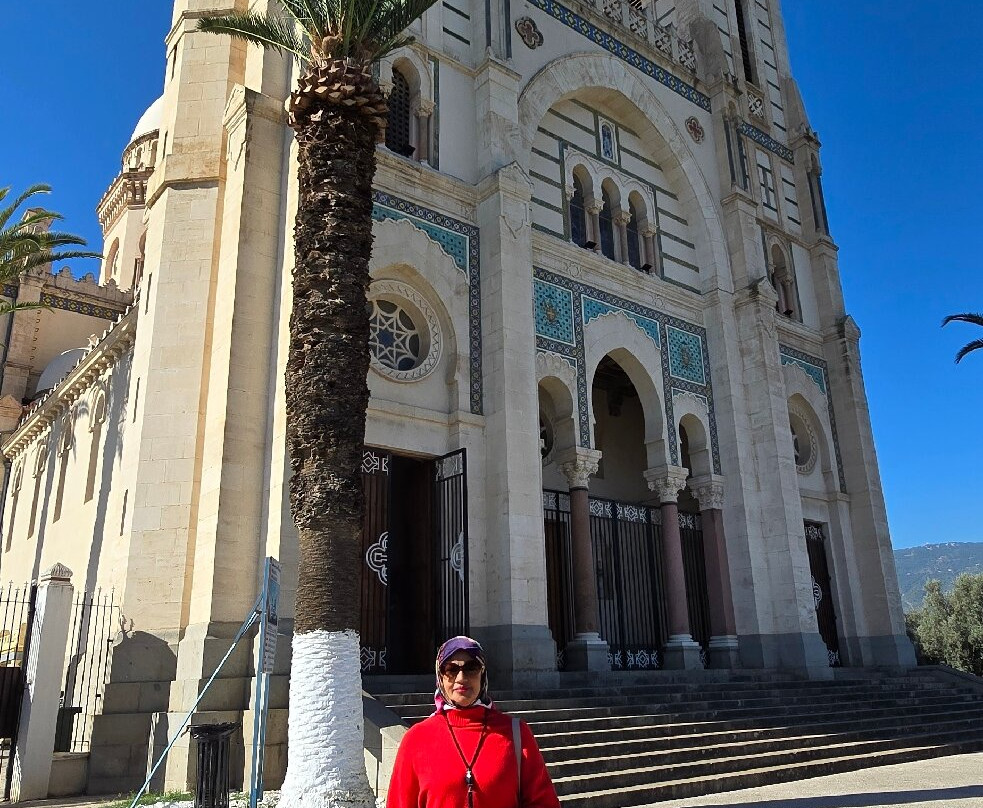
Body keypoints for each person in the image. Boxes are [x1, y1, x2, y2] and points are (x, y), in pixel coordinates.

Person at [386, 635, 561, 808]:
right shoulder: (416, 739)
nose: (461, 678)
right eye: (451, 669)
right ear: (440, 677)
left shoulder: (516, 734)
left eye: (472, 667)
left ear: (482, 674)